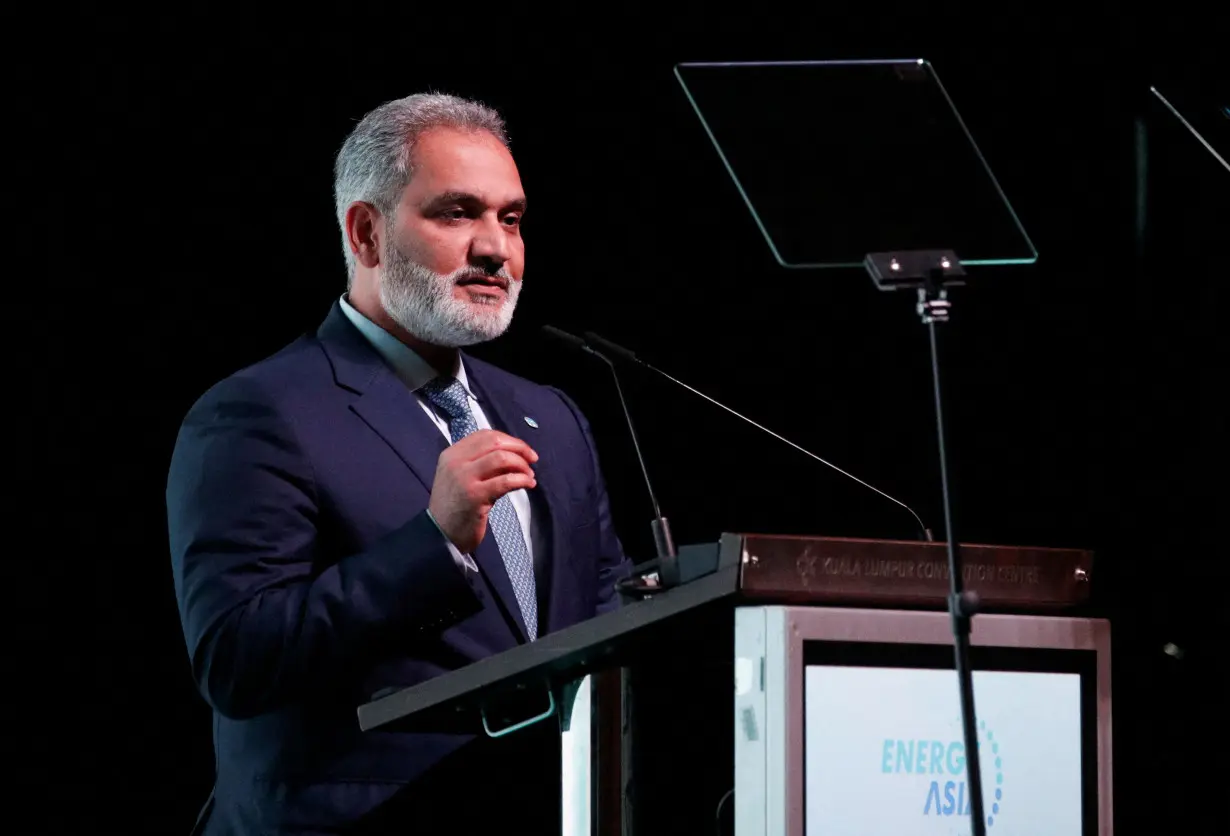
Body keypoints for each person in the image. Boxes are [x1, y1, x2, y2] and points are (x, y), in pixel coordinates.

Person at [166, 93, 630, 835]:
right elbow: (235, 661)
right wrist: (435, 541)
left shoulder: (554, 417)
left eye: (510, 219)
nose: (495, 248)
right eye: (457, 213)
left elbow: (603, 620)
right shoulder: (259, 413)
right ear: (367, 232)